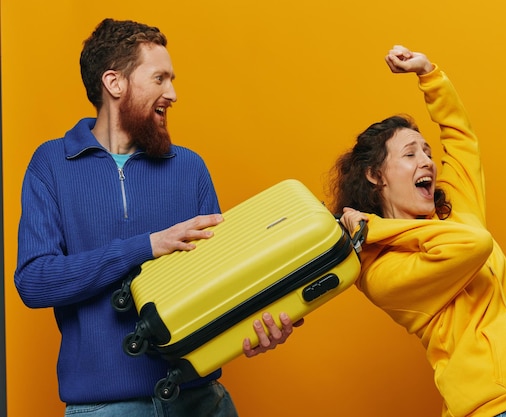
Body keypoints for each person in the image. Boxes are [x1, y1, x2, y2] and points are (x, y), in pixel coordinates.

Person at [14, 18, 302, 417]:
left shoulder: (189, 167)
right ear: (115, 84)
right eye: (160, 79)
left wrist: (255, 326)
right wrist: (146, 247)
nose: (173, 93)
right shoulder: (52, 164)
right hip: (104, 408)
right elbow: (34, 281)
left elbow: (224, 279)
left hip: (203, 402)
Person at [331, 45, 506, 417]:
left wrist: (429, 76)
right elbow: (473, 245)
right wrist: (376, 230)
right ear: (376, 176)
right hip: (500, 410)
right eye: (410, 154)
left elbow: (461, 139)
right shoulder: (381, 273)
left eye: (427, 152)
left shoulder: (454, 205)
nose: (427, 160)